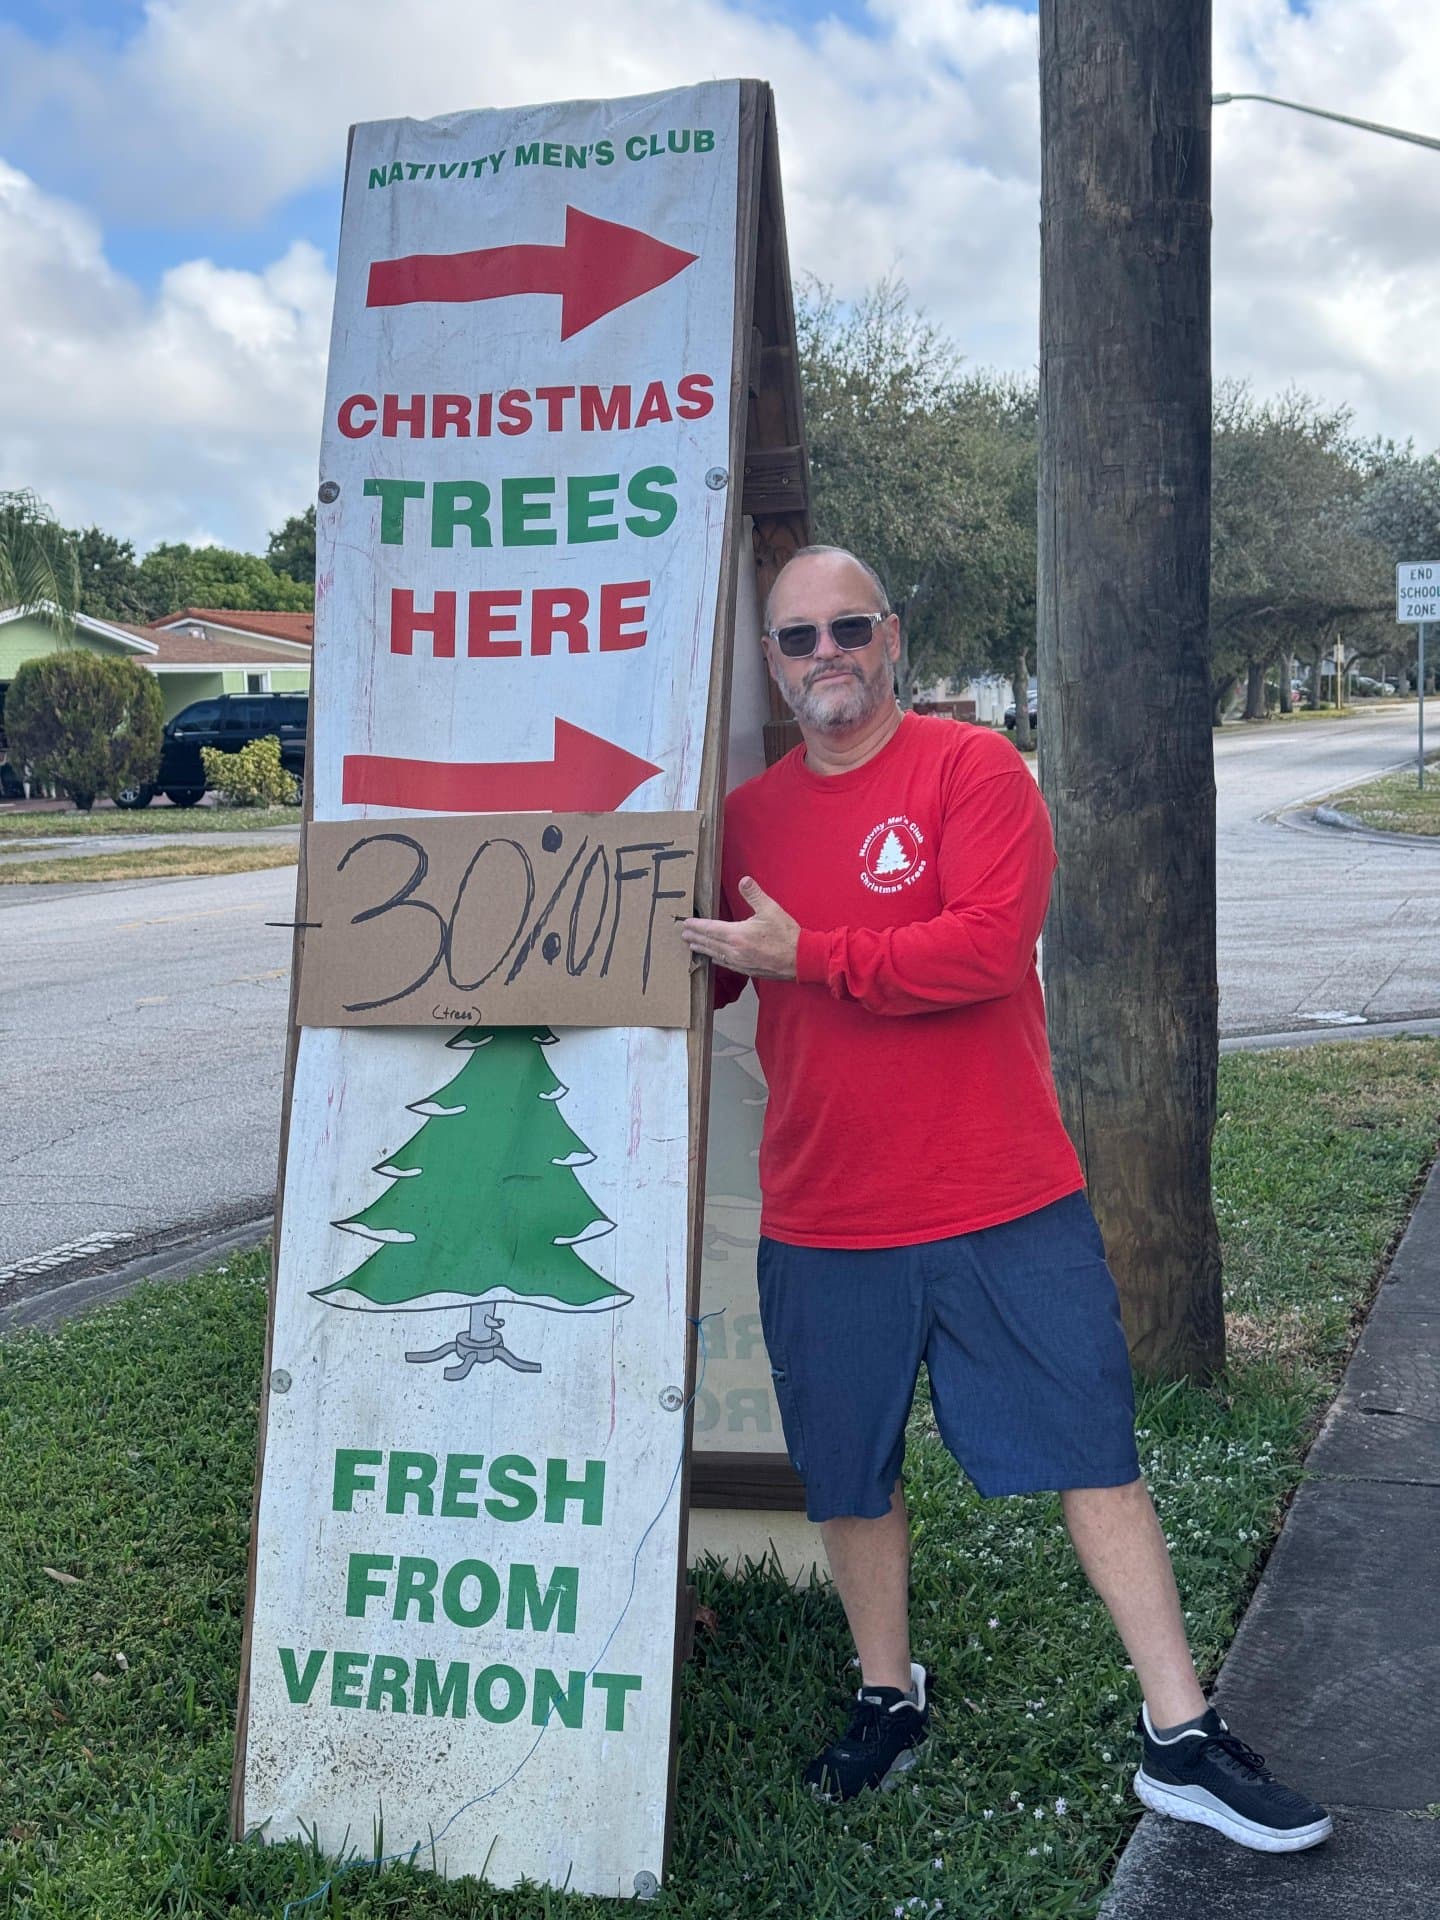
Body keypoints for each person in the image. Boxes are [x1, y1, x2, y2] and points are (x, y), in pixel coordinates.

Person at [680, 544, 1331, 1852]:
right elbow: (709, 986)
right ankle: (888, 1696)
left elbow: (983, 950)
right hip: (826, 1215)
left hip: (1001, 1200)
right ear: (770, 661)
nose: (827, 657)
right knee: (850, 1476)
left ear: (893, 635)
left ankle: (1181, 1736)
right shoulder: (744, 821)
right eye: (799, 638)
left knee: (1095, 1449)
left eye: (848, 629)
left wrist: (808, 953)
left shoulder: (969, 770)